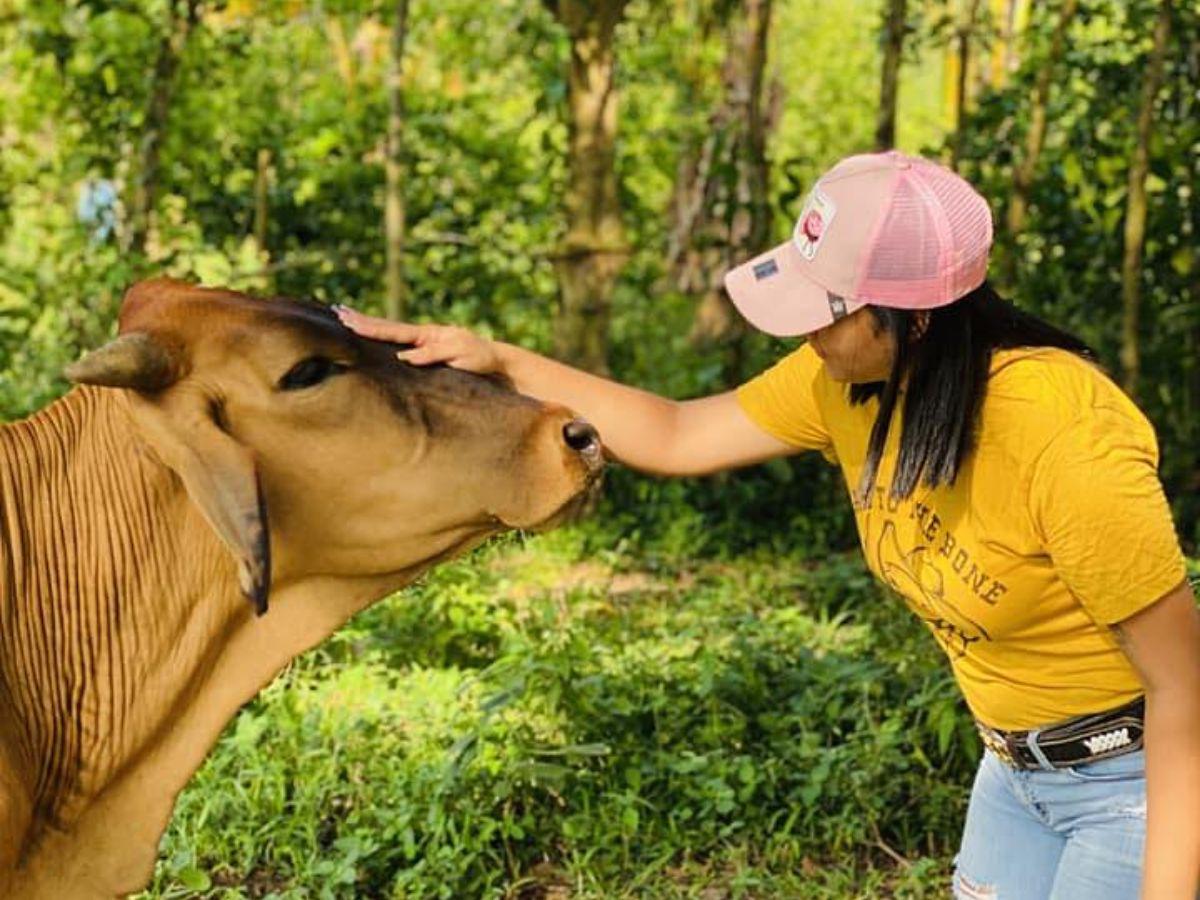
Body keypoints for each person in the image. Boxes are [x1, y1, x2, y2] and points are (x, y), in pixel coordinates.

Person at [336, 151, 1200, 899]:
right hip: (1013, 774)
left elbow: (1184, 690)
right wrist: (502, 361)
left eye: (829, 310)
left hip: (1133, 782)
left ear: (915, 318)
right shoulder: (851, 379)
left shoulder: (1062, 433)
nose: (809, 333)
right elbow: (678, 433)